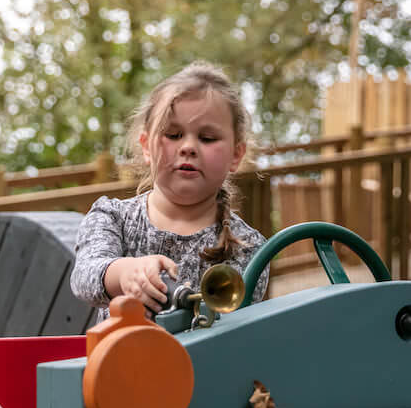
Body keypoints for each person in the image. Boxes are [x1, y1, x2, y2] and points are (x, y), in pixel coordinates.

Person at [71, 62, 269, 321]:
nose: (188, 147)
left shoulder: (249, 248)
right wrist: (127, 274)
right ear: (145, 146)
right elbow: (85, 276)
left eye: (207, 138)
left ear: (236, 154)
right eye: (173, 135)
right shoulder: (112, 216)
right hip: (118, 360)